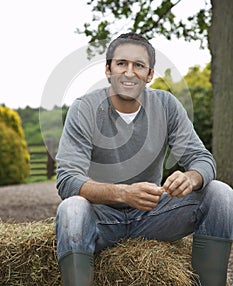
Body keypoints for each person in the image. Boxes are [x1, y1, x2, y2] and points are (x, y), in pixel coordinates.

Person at [56, 32, 233, 286]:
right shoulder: (84, 108)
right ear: (108, 69)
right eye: (121, 64)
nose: (129, 73)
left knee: (221, 193)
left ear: (149, 74)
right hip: (101, 219)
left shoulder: (166, 104)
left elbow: (202, 158)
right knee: (71, 209)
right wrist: (123, 194)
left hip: (154, 217)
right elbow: (67, 180)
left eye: (139, 66)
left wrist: (191, 178)